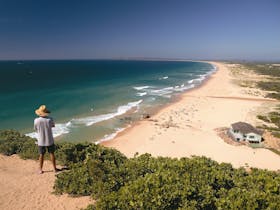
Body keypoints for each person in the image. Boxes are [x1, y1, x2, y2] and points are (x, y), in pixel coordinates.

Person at [34, 105, 60, 174]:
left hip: (41, 140)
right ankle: (54, 169)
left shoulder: (36, 120)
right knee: (52, 154)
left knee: (41, 155)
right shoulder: (50, 119)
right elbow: (53, 126)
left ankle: (40, 169)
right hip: (49, 139)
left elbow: (36, 129)